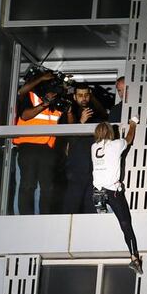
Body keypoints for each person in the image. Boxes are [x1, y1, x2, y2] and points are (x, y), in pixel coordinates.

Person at [91, 118, 142, 274]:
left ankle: (102, 206)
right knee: (126, 223)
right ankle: (134, 258)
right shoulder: (116, 145)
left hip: (98, 191)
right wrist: (133, 124)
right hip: (112, 191)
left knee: (108, 210)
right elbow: (129, 139)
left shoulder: (94, 147)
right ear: (110, 133)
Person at [12, 71, 62, 215]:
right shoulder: (30, 95)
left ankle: (44, 217)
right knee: (28, 185)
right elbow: (25, 115)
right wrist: (44, 103)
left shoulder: (55, 102)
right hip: (28, 146)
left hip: (47, 149)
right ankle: (23, 218)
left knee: (47, 188)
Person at [60, 83, 107, 214]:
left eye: (86, 95)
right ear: (74, 96)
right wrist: (81, 122)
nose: (84, 98)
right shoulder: (69, 112)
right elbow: (69, 140)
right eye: (80, 95)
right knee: (72, 205)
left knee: (91, 206)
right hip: (76, 167)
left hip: (94, 167)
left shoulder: (96, 113)